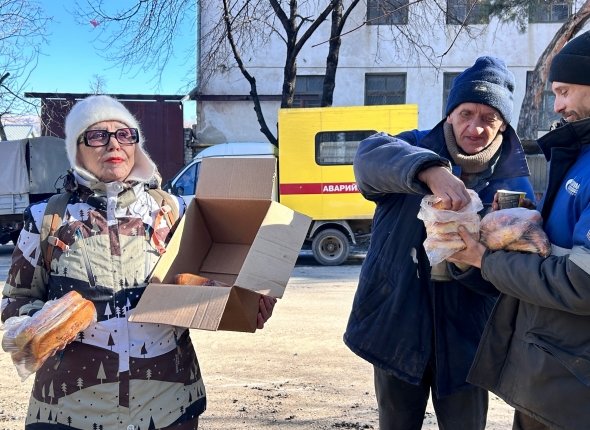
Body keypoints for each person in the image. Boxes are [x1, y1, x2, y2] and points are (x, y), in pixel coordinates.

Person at [0, 95, 276, 429]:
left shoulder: (175, 212)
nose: (113, 143)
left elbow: (208, 282)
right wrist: (43, 323)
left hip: (170, 403)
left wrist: (246, 302)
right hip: (69, 409)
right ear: (77, 148)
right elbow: (15, 302)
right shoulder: (45, 218)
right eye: (98, 135)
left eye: (124, 134)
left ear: (136, 144)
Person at [343, 56, 535, 429]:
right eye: (466, 114)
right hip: (397, 323)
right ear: (449, 114)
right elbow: (367, 158)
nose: (475, 127)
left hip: (468, 339)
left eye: (489, 118)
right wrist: (430, 171)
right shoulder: (413, 145)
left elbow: (515, 276)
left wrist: (472, 262)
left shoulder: (514, 186)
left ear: (503, 125)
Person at [448, 31, 590, 430]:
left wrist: (484, 259)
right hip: (552, 369)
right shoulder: (579, 152)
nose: (557, 105)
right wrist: (527, 223)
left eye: (564, 92)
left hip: (572, 384)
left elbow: (581, 282)